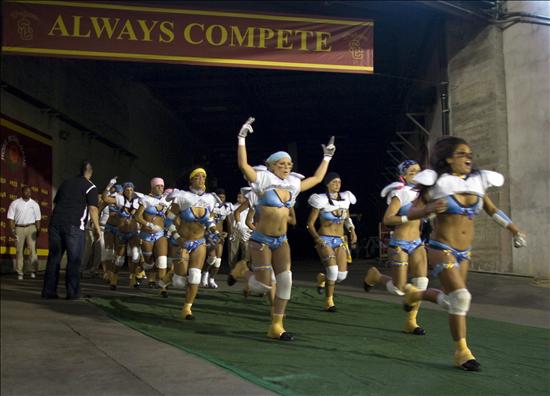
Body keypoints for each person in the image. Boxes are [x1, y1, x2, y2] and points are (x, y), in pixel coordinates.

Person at [404, 136, 527, 371]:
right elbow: (411, 212)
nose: (468, 157)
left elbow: (493, 210)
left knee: (454, 301)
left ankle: (415, 294)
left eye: (470, 153)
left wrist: (514, 230)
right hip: (441, 248)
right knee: (461, 299)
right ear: (449, 159)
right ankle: (462, 352)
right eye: (462, 153)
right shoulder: (437, 184)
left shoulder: (477, 183)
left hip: (465, 253)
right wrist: (428, 208)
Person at [231, 116, 335, 341]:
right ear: (271, 166)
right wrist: (241, 139)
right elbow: (243, 165)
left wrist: (326, 157)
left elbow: (317, 178)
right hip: (261, 240)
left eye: (289, 164)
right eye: (282, 164)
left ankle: (277, 325)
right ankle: (243, 271)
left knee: (286, 280)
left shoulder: (294, 184)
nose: (287, 167)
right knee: (263, 285)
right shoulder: (262, 179)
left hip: (282, 241)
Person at [362, 160, 428, 335]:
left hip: (418, 243)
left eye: (419, 171)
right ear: (404, 176)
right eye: (412, 172)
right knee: (399, 289)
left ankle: (411, 322)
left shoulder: (425, 193)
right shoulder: (401, 194)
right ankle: (375, 276)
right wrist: (409, 217)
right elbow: (387, 219)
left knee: (421, 282)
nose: (417, 174)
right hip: (400, 242)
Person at [164, 168, 219, 318]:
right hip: (183, 241)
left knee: (195, 275)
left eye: (204, 177)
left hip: (199, 242)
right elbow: (168, 221)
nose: (201, 179)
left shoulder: (210, 199)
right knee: (180, 281)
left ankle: (187, 308)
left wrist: (215, 231)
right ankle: (173, 273)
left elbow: (210, 220)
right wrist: (177, 237)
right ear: (191, 180)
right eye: (198, 177)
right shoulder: (182, 197)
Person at [42, 160, 101, 299]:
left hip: (55, 223)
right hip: (73, 226)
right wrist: (97, 228)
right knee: (74, 260)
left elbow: (56, 203)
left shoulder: (66, 183)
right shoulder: (90, 187)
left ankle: (48, 292)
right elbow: (93, 208)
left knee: (54, 259)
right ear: (90, 172)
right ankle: (73, 293)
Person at [307, 172, 357, 312]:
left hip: (340, 240)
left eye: (339, 182)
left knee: (341, 276)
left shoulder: (345, 198)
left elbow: (346, 218)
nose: (337, 185)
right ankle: (329, 301)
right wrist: (317, 238)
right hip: (325, 239)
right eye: (334, 182)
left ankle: (322, 278)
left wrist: (352, 230)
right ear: (327, 184)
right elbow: (309, 224)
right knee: (333, 271)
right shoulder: (320, 200)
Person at [102, 182, 142, 289]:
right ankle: (114, 279)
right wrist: (109, 185)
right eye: (127, 190)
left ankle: (133, 278)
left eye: (131, 190)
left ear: (134, 190)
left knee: (135, 254)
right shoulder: (119, 199)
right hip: (121, 232)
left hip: (133, 233)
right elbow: (105, 198)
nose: (129, 192)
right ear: (124, 191)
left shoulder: (139, 199)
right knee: (119, 259)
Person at [134, 178, 170, 295]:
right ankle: (142, 271)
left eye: (162, 186)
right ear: (152, 187)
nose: (160, 188)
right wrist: (148, 224)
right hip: (146, 234)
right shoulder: (145, 199)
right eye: (158, 186)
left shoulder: (166, 200)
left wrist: (172, 229)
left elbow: (170, 217)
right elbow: (137, 216)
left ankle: (163, 286)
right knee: (149, 263)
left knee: (162, 260)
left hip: (160, 234)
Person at [7, 185, 42, 280]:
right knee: (19, 251)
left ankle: (33, 271)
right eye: (26, 191)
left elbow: (38, 219)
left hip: (31, 228)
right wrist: (13, 230)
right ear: (22, 192)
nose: (28, 193)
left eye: (30, 192)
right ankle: (20, 272)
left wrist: (38, 230)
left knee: (32, 250)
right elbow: (10, 218)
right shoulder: (15, 203)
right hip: (19, 228)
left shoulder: (35, 204)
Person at [201, 188, 232, 289]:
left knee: (218, 260)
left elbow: (228, 221)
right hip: (210, 234)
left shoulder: (227, 207)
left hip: (220, 235)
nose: (221, 199)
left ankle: (212, 279)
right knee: (211, 258)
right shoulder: (210, 206)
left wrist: (230, 233)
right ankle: (204, 275)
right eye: (220, 197)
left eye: (223, 197)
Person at [228, 191, 249, 269]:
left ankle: (244, 269)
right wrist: (231, 232)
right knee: (233, 251)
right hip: (235, 230)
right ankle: (232, 269)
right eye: (238, 197)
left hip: (246, 231)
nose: (238, 198)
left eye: (240, 197)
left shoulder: (249, 207)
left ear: (245, 198)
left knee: (246, 251)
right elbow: (229, 220)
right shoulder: (233, 207)